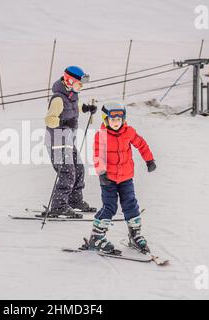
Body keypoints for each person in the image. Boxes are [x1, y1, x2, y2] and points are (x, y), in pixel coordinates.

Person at [89, 102, 156, 253]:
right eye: (113, 120)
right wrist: (101, 172)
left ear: (123, 120)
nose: (116, 123)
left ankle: (135, 235)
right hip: (108, 179)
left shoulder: (129, 131)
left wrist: (149, 160)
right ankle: (96, 237)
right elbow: (97, 154)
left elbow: (141, 144)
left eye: (119, 120)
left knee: (130, 204)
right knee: (109, 207)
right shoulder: (102, 135)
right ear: (106, 120)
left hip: (126, 177)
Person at [44, 66, 98, 218]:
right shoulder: (58, 99)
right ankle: (58, 206)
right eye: (79, 83)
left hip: (67, 141)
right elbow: (49, 119)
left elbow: (74, 108)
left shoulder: (71, 96)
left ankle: (74, 200)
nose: (81, 86)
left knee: (79, 169)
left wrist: (86, 108)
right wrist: (64, 122)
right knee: (67, 172)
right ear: (69, 80)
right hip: (56, 142)